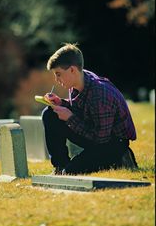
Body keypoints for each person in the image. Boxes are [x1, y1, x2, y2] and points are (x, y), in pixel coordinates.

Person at [42, 43, 138, 175]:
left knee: (70, 171)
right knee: (50, 113)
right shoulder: (78, 81)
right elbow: (82, 111)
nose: (56, 79)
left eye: (58, 74)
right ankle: (60, 166)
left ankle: (121, 158)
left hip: (112, 143)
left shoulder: (99, 94)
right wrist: (61, 103)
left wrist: (70, 117)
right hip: (94, 135)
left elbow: (101, 138)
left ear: (72, 70)